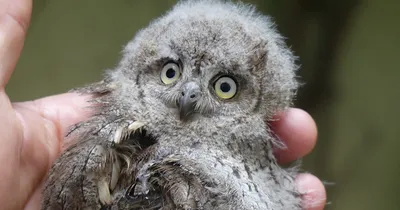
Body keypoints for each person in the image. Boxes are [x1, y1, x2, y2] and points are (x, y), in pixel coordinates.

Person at [0, 0, 326, 209]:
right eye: (171, 72)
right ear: (143, 67)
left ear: (261, 100)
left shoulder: (253, 159)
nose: (188, 95)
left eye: (224, 86)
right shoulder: (129, 157)